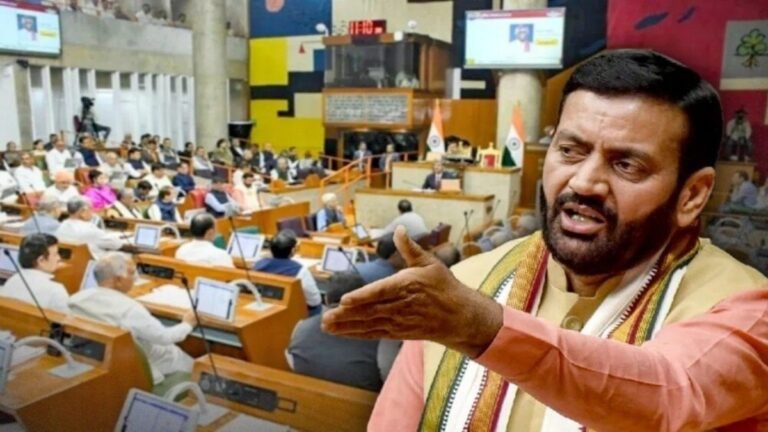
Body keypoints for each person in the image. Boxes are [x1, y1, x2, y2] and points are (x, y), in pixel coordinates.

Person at [323, 50, 768, 431]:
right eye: (570, 151)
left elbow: (668, 395)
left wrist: (484, 330)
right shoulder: (463, 284)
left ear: (692, 196)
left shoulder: (745, 306)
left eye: (627, 165)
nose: (584, 182)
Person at [69, 253, 196, 384]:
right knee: (193, 366)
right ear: (118, 280)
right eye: (131, 273)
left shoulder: (76, 300)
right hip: (140, 364)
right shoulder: (130, 309)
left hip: (97, 358)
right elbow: (165, 337)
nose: (135, 278)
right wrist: (187, 324)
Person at [286, 271, 386, 391]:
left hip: (304, 393)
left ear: (326, 299)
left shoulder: (300, 327)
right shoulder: (381, 335)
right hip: (360, 399)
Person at [253, 230, 321, 314]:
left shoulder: (258, 264)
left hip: (267, 307)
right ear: (292, 250)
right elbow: (315, 301)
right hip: (293, 312)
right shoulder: (300, 270)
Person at [0, 234, 69, 313]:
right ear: (41, 260)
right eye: (55, 254)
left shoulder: (12, 280)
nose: (59, 258)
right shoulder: (56, 291)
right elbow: (66, 319)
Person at [56, 196, 127, 259]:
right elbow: (116, 244)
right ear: (82, 212)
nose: (92, 212)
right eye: (90, 208)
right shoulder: (89, 229)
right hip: (90, 266)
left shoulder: (61, 226)